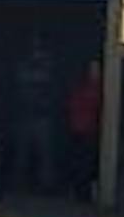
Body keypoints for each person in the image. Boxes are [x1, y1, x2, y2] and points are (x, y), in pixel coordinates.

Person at [6, 37, 60, 195]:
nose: (37, 52)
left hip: (43, 115)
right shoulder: (23, 64)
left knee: (45, 156)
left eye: (40, 48)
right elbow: (20, 79)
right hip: (25, 114)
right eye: (34, 48)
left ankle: (46, 187)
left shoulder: (49, 65)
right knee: (22, 153)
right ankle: (18, 186)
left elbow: (51, 82)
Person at [64, 58, 102, 199]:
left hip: (90, 130)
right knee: (80, 162)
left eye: (97, 69)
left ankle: (85, 193)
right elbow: (74, 106)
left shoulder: (100, 87)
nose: (95, 72)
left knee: (88, 163)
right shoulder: (82, 88)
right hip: (80, 130)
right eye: (93, 69)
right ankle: (78, 191)